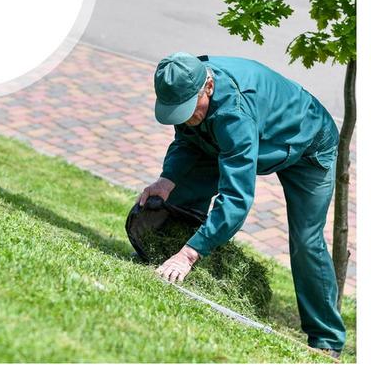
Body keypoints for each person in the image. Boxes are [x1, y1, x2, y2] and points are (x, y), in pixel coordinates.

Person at [139, 52, 345, 358]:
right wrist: (167, 180)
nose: (185, 116)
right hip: (258, 135)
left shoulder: (233, 111)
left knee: (306, 239)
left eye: (189, 109)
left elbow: (236, 197)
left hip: (309, 145)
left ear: (207, 87)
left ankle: (326, 337)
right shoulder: (185, 84)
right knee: (181, 186)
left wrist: (190, 255)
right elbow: (187, 140)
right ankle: (161, 254)